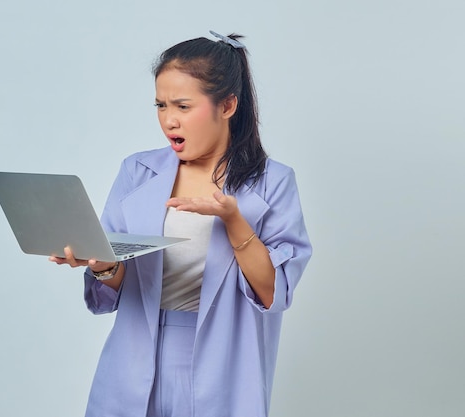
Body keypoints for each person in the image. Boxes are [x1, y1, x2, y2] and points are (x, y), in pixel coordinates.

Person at [49, 31, 312, 417]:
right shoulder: (137, 172)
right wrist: (104, 267)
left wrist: (233, 220)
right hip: (134, 361)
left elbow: (273, 293)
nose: (169, 120)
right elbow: (119, 282)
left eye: (183, 106)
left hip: (225, 365)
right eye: (160, 105)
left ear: (227, 105)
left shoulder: (273, 182)